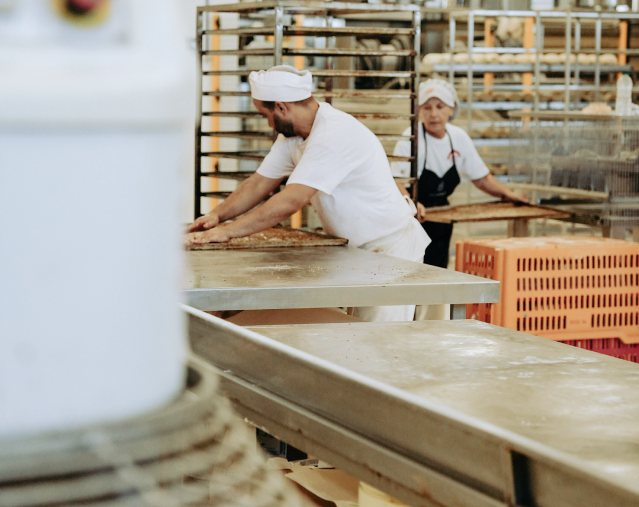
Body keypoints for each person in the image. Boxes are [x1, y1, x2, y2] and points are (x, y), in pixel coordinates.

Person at [187, 65, 430, 322]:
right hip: (357, 252)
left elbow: (292, 200)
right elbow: (258, 183)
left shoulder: (332, 134)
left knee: (379, 339)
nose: (268, 123)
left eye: (265, 115)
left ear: (281, 107)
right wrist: (217, 216)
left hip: (391, 249)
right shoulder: (293, 137)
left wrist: (228, 232)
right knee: (355, 333)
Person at [392, 78, 528, 270]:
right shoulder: (410, 139)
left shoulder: (458, 138)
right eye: (427, 108)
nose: (434, 114)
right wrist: (411, 201)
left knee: (437, 272)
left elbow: (481, 178)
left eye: (440, 107)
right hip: (413, 220)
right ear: (419, 111)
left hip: (442, 218)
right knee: (410, 272)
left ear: (452, 109)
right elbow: (395, 180)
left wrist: (507, 194)